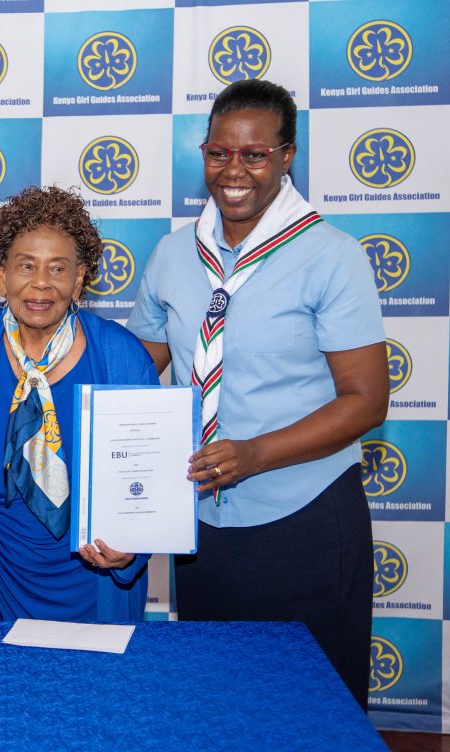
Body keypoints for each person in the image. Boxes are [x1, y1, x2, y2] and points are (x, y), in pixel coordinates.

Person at [127, 79, 387, 709]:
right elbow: (135, 370)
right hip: (203, 521)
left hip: (304, 515)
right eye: (219, 153)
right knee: (218, 705)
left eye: (255, 155)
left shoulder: (331, 255)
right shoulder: (173, 253)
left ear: (287, 155)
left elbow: (365, 400)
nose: (234, 171)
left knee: (311, 709)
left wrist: (255, 454)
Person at [0, 185, 156, 623]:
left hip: (90, 577)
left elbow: (151, 474)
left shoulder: (122, 356)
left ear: (79, 279)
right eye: (26, 266)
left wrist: (135, 539)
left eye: (58, 268)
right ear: (1, 277)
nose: (41, 282)